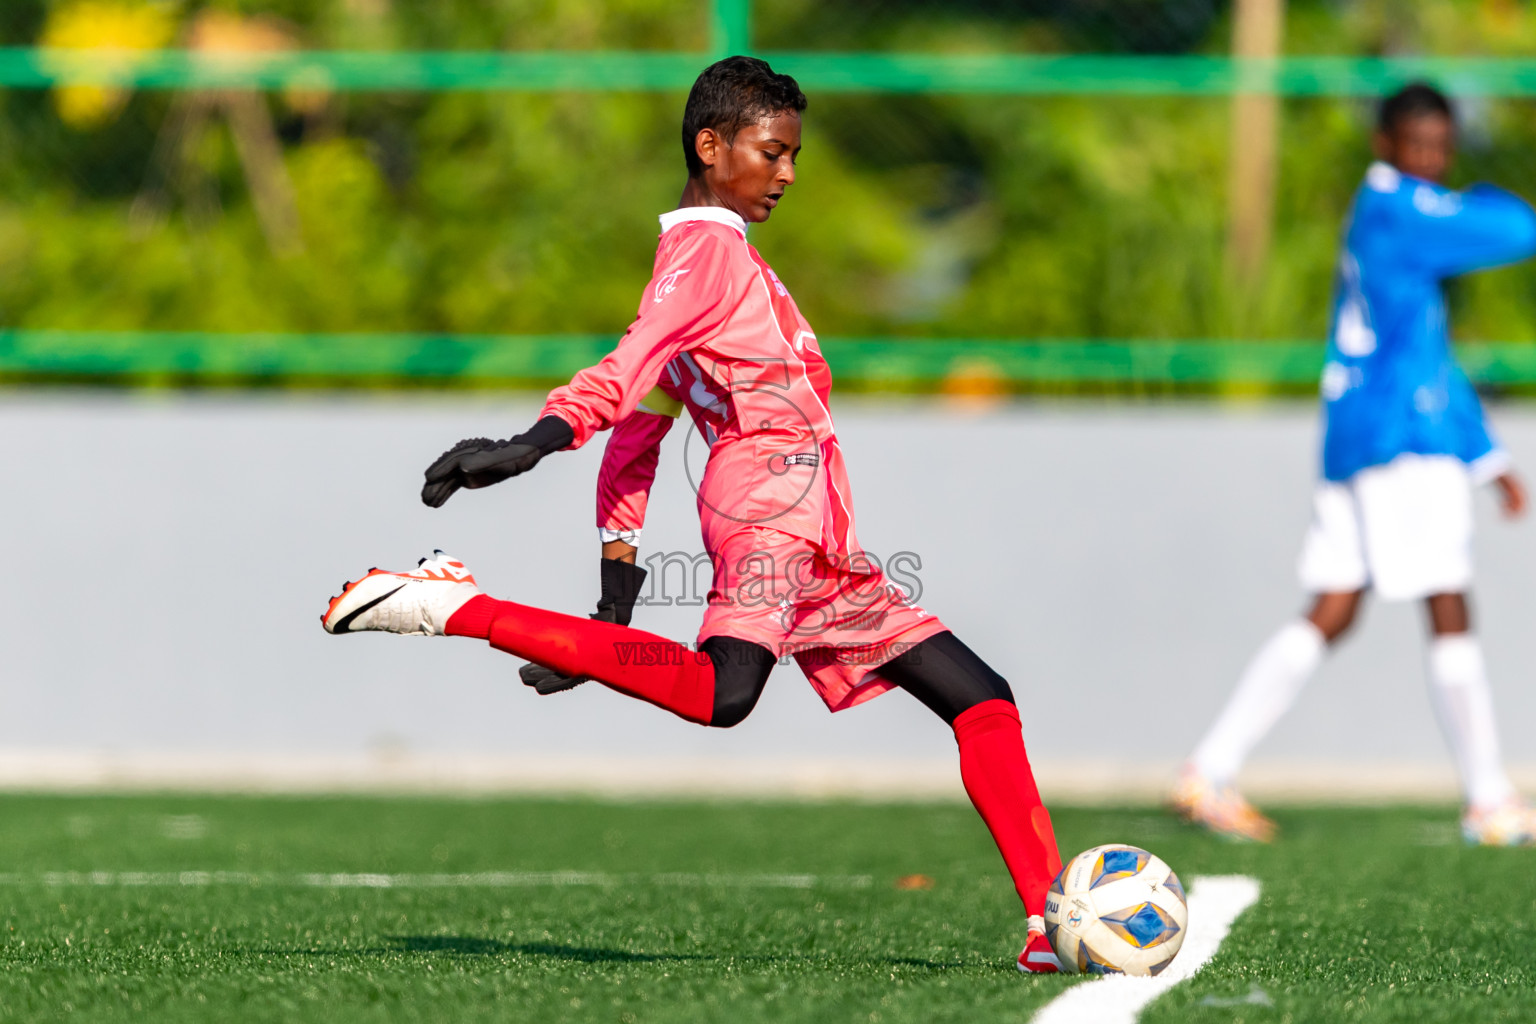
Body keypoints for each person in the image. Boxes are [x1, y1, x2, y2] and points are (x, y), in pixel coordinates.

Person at [322, 56, 1069, 973]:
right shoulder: (708, 254)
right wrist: (532, 441)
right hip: (771, 520)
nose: (787, 172)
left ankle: (1048, 923)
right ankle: (452, 606)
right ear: (711, 147)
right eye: (772, 151)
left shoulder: (719, 266)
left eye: (794, 154)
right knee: (725, 695)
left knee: (981, 699)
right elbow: (626, 369)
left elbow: (636, 440)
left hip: (822, 543)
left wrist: (610, 611)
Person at [1171, 83, 1536, 845]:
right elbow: (1515, 227)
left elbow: (1425, 351)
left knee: (1334, 607)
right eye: (1417, 144)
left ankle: (1210, 767)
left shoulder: (1385, 214)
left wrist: (1487, 455)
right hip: (1400, 439)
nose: (1431, 159)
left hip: (1360, 434)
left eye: (1441, 145)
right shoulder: (1401, 209)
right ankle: (1489, 799)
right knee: (1448, 602)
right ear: (1385, 143)